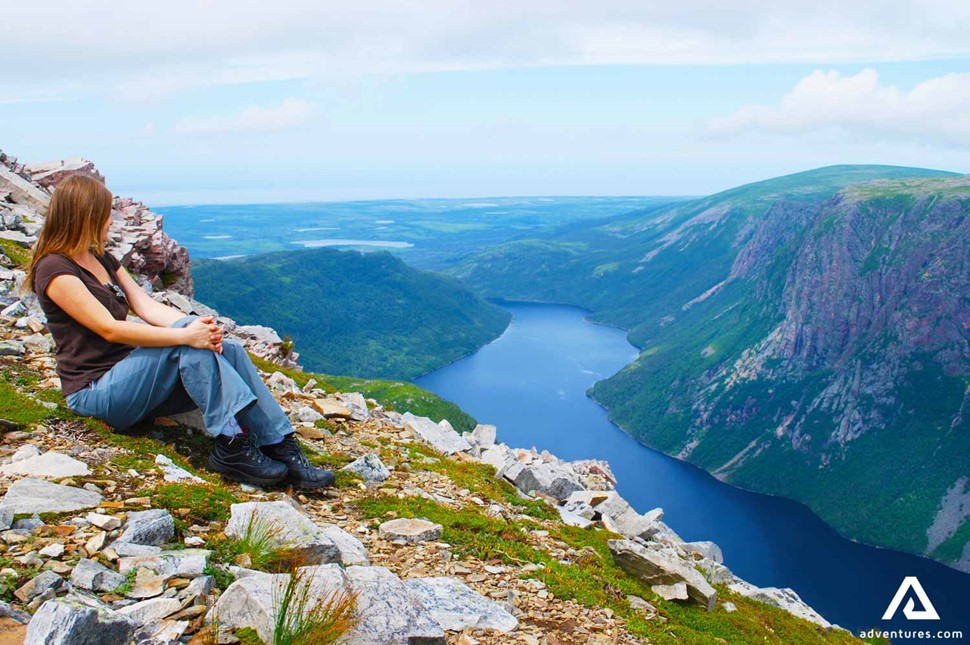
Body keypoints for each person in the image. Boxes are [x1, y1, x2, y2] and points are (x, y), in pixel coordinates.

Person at [27, 174, 334, 489]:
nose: (110, 220)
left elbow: (145, 306)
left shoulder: (99, 257)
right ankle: (231, 443)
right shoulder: (54, 269)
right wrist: (187, 337)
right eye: (105, 214)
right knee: (186, 347)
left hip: (133, 380)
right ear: (84, 216)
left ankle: (278, 443)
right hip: (95, 390)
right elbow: (109, 329)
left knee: (230, 350)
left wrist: (196, 326)